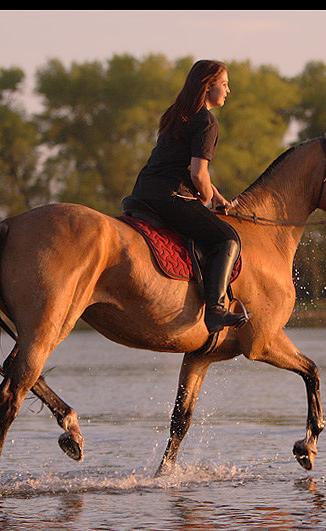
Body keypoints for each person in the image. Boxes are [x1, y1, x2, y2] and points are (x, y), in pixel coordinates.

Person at [131, 59, 247, 334]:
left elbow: (180, 165)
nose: (228, 90)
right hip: (170, 197)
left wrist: (215, 193)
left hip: (143, 192)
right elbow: (197, 175)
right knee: (227, 238)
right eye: (224, 84)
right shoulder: (207, 121)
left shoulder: (175, 114)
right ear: (208, 87)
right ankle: (216, 310)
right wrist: (206, 196)